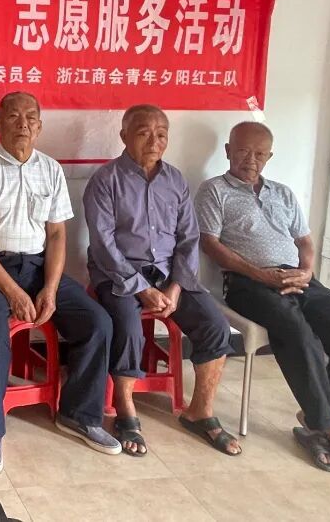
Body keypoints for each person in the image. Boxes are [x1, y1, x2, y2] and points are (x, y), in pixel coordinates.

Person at [197, 121, 330, 484]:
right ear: (228, 151)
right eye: (243, 151)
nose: (250, 160)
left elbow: (304, 241)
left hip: (298, 279)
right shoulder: (214, 191)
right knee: (299, 335)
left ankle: (317, 421)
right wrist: (260, 275)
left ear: (269, 157)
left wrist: (306, 271)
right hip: (247, 284)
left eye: (259, 154)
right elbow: (211, 245)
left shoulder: (283, 193)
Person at [0, 92, 120, 474]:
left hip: (37, 266)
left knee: (97, 322)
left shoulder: (51, 169)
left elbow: (58, 235)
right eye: (13, 116)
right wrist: (12, 291)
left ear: (40, 126)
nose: (23, 123)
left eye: (30, 117)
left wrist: (50, 287)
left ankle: (78, 415)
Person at [84, 104, 239, 457]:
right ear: (124, 136)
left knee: (215, 326)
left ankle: (200, 412)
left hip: (170, 275)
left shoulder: (175, 180)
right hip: (119, 274)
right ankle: (125, 409)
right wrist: (142, 289)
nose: (154, 142)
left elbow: (189, 239)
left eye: (161, 134)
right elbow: (103, 246)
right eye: (143, 133)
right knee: (127, 326)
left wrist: (175, 287)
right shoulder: (105, 180)